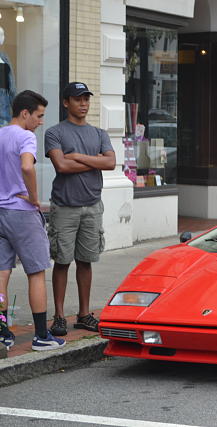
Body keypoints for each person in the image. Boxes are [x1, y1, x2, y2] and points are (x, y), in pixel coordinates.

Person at [45, 82, 115, 336]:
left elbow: (111, 161)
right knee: (62, 262)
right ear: (66, 103)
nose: (83, 103)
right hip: (64, 207)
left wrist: (77, 157)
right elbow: (61, 167)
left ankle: (84, 315)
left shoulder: (99, 133)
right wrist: (94, 162)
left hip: (93, 206)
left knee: (86, 262)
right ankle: (60, 316)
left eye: (86, 98)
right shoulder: (54, 133)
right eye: (78, 99)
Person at [0, 90, 65, 350]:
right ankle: (41, 336)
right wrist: (34, 197)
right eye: (38, 116)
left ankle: (2, 328)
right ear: (24, 113)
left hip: (0, 211)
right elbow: (27, 166)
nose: (40, 122)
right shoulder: (25, 136)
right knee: (36, 272)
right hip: (21, 212)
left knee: (2, 272)